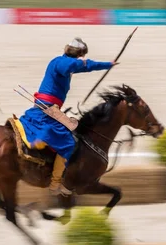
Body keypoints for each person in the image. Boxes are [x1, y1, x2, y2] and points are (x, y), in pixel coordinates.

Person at [19, 37, 117, 196]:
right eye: (81, 55)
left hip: (47, 106)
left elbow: (86, 66)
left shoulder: (60, 61)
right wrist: (90, 64)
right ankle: (55, 183)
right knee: (68, 143)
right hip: (48, 109)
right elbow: (77, 66)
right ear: (77, 54)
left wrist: (107, 65)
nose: (82, 59)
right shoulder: (63, 63)